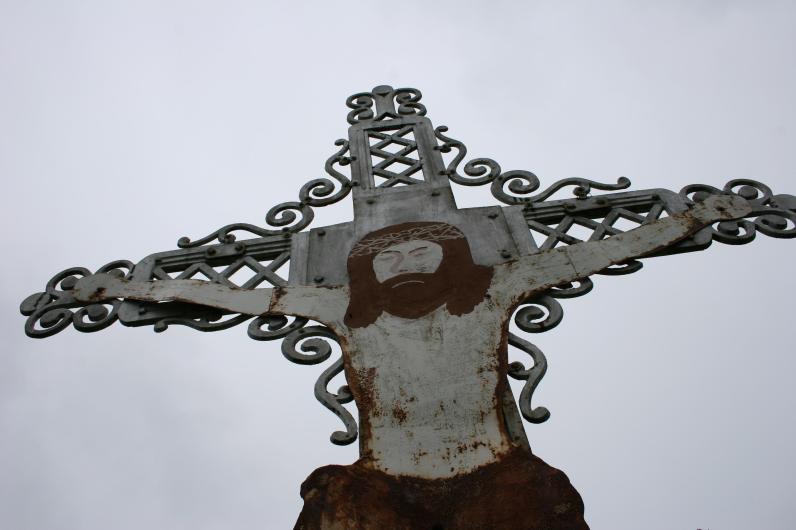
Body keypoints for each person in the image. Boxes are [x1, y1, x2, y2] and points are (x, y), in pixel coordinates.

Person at [74, 194, 749, 529]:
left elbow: (592, 252)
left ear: (451, 258)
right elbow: (240, 295)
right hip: (380, 485)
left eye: (419, 252)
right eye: (386, 257)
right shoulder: (340, 307)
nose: (402, 263)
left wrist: (692, 220)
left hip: (497, 476)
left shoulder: (498, 287)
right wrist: (137, 287)